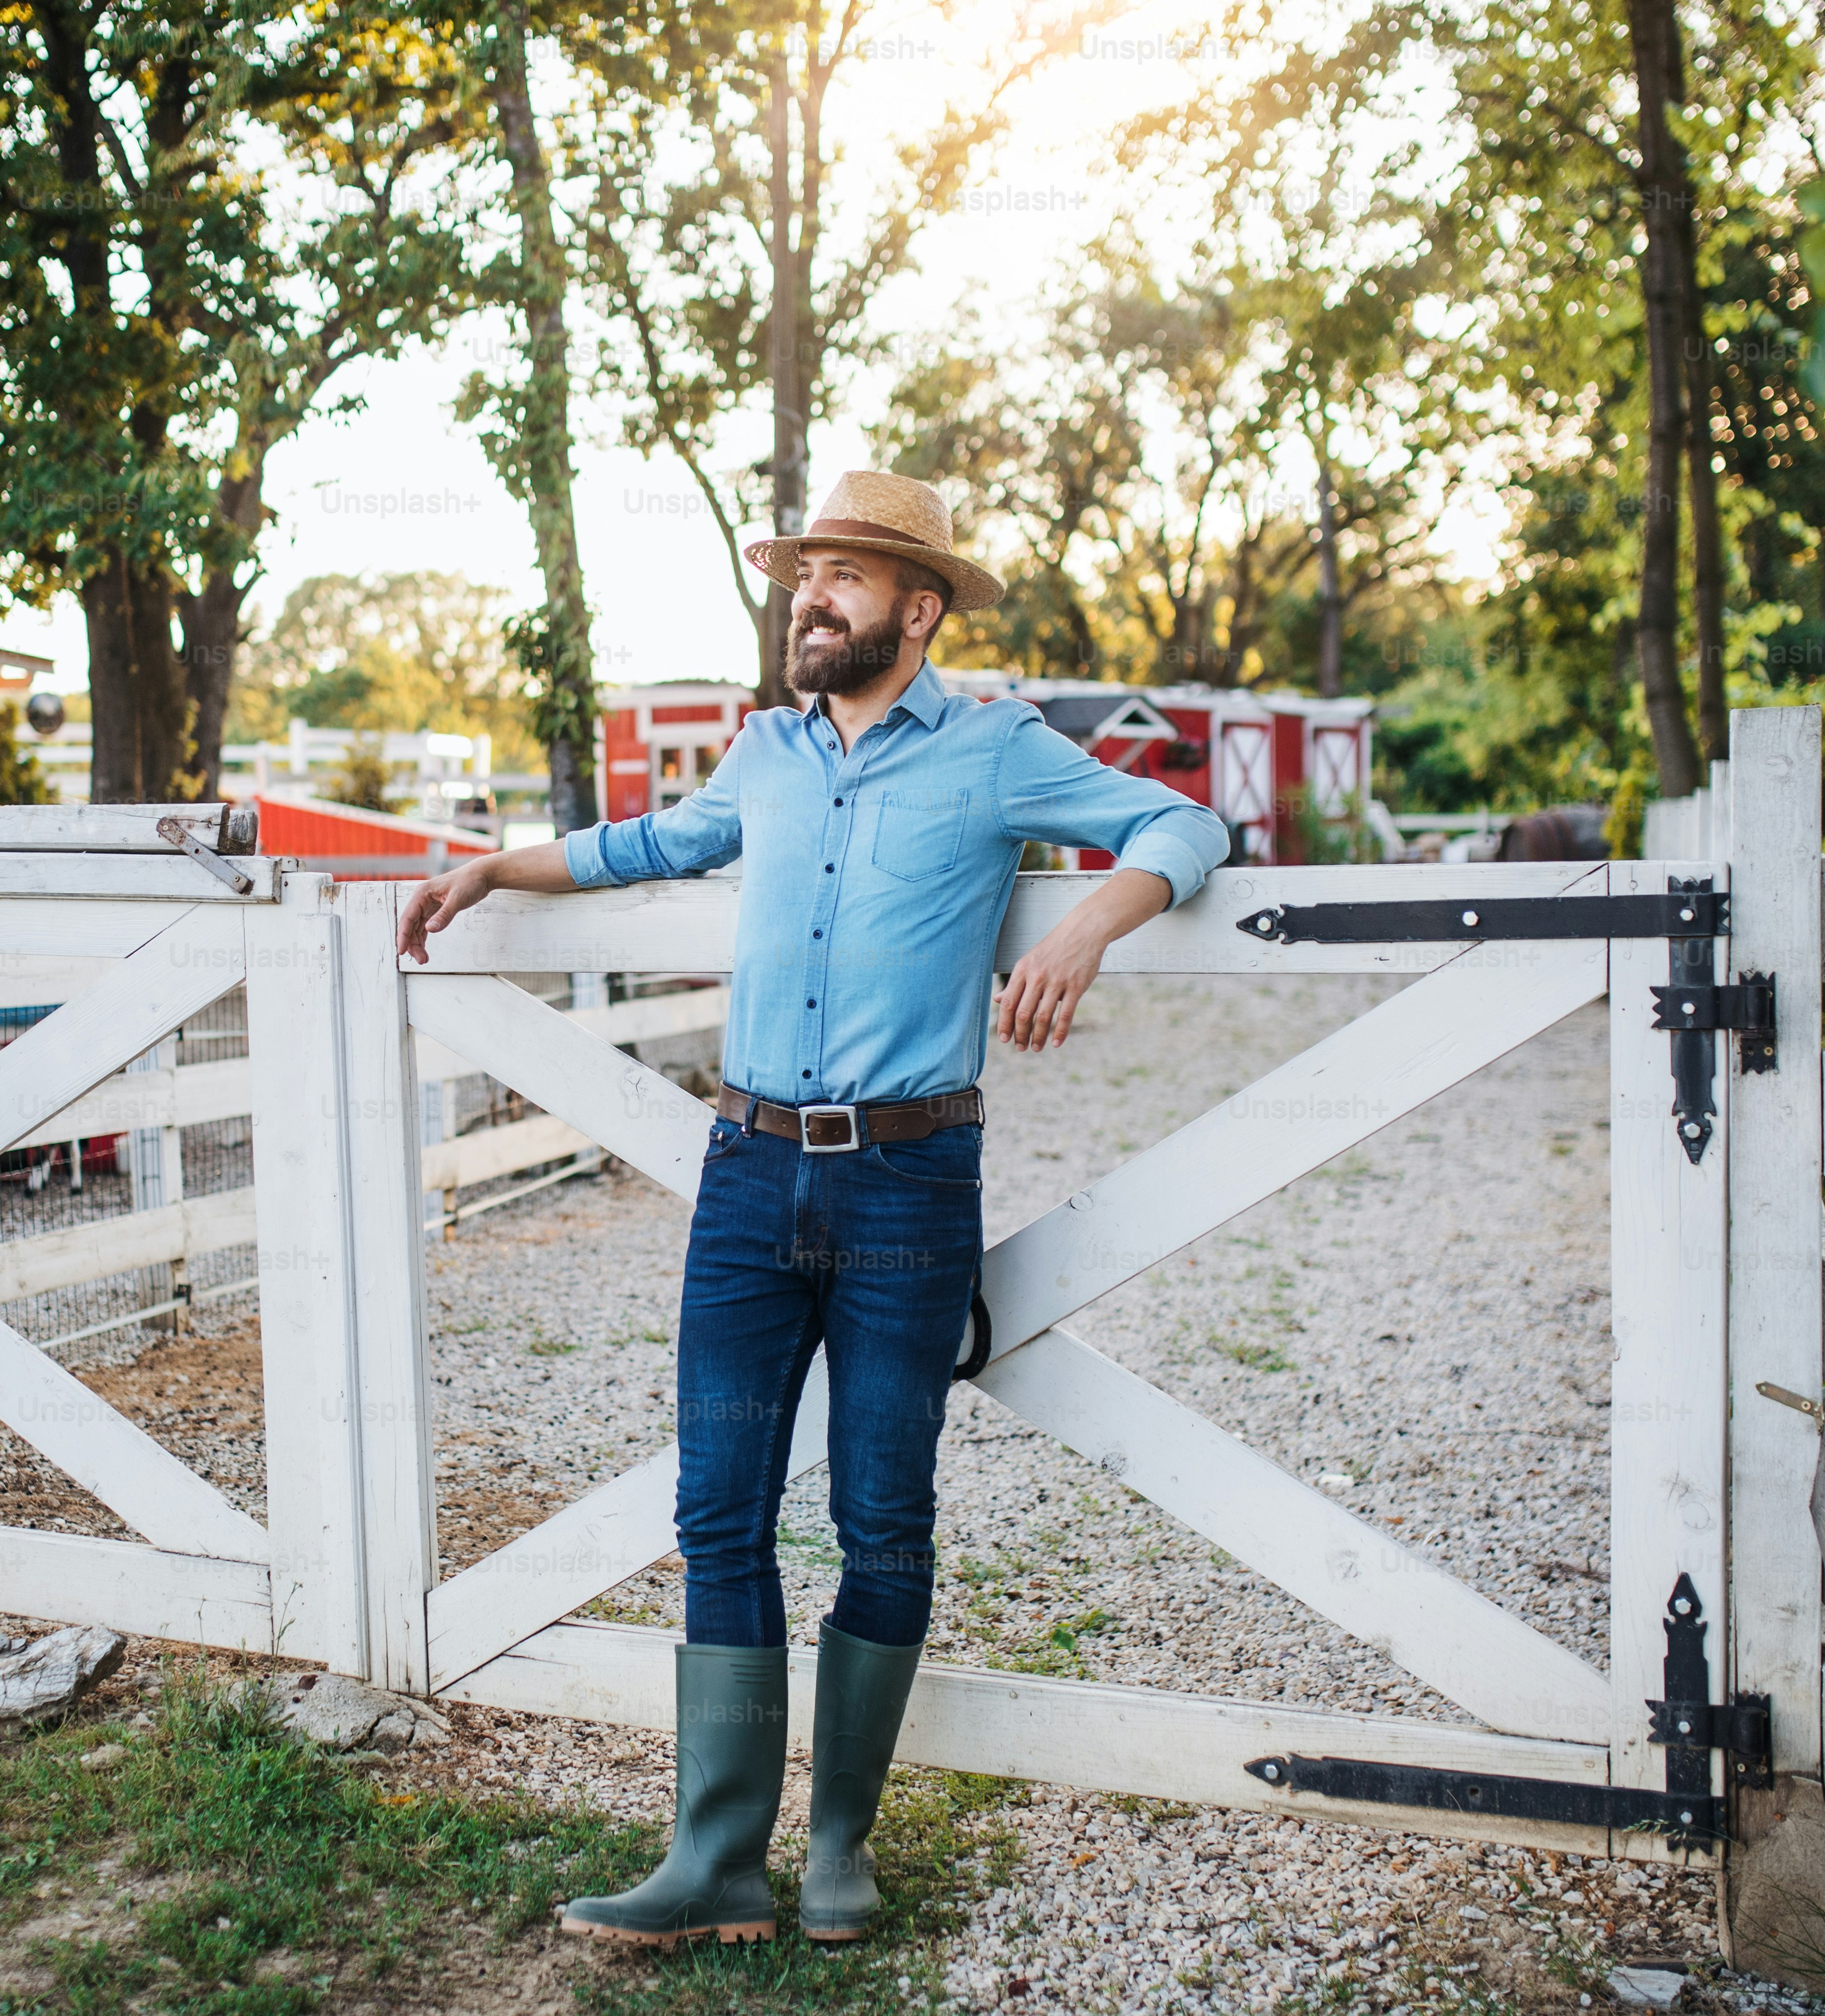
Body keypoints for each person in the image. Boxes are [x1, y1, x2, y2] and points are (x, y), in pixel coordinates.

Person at [397, 471, 1229, 1948]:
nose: (809, 598)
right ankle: (716, 1858)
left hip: (911, 1183)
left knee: (881, 1514)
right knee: (717, 1507)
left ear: (917, 608)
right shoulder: (769, 754)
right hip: (745, 1175)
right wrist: (493, 866)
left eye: (843, 577)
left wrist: (1092, 922)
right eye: (802, 576)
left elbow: (1181, 824)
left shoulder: (994, 749)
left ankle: (838, 1845)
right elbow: (650, 845)